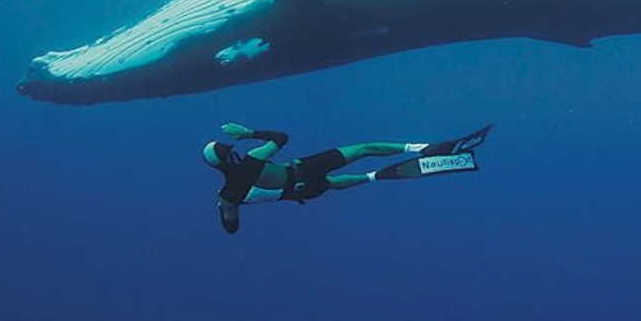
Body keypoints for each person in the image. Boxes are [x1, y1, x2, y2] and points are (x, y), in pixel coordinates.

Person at [201, 122, 492, 234]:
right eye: (228, 150)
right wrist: (249, 134)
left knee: (329, 184)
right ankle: (421, 148)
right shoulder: (252, 160)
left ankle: (373, 177)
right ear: (228, 157)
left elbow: (231, 227)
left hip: (302, 190)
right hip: (303, 168)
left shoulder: (229, 193)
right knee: (363, 148)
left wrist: (225, 207)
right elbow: (281, 137)